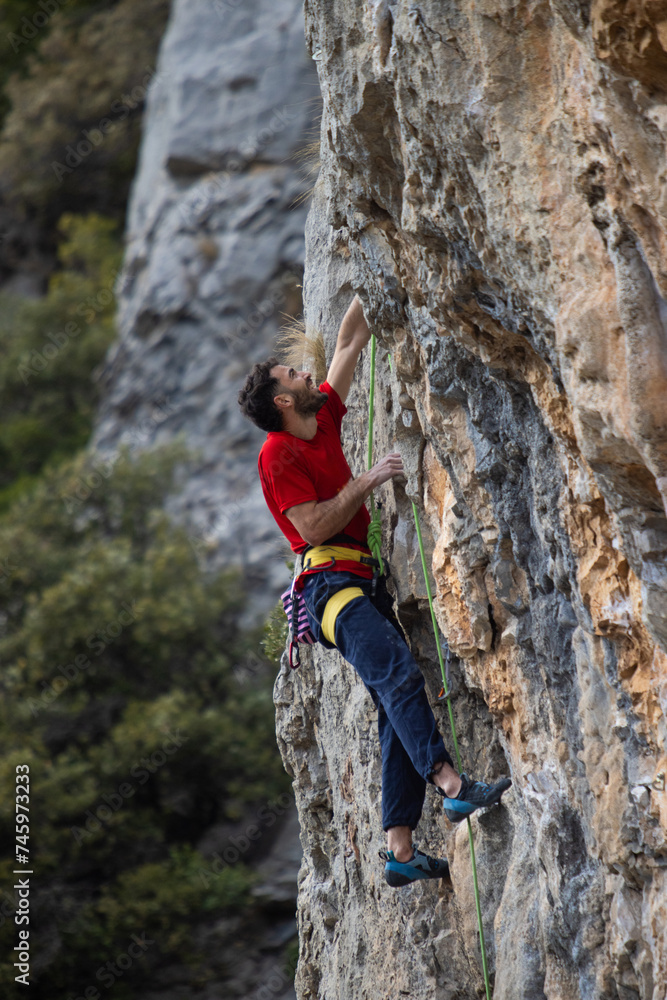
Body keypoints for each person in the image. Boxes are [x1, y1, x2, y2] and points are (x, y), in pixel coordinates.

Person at [238, 293, 511, 887]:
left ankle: (400, 850)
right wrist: (366, 481)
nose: (307, 372)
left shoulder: (321, 416)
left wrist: (371, 268)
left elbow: (349, 342)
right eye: (294, 374)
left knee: (393, 705)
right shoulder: (278, 451)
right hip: (327, 585)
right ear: (283, 400)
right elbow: (310, 526)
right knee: (398, 675)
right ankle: (452, 785)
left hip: (358, 579)